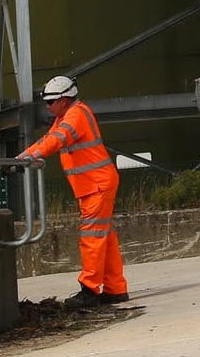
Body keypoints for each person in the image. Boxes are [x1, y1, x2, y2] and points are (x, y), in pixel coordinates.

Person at [19, 75, 130, 307]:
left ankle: (89, 288)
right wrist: (22, 158)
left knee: (92, 238)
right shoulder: (66, 116)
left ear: (64, 99)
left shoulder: (76, 115)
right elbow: (48, 139)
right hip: (93, 185)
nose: (48, 107)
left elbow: (57, 141)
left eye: (51, 102)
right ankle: (115, 288)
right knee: (104, 237)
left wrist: (27, 157)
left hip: (96, 185)